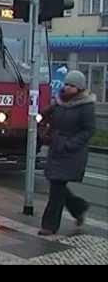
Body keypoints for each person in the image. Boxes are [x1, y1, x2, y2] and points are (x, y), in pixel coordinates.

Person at [39, 70, 95, 236]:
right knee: (57, 185)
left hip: (72, 153)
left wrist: (70, 144)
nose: (67, 87)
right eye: (66, 84)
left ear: (79, 88)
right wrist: (42, 125)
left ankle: (49, 226)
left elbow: (89, 130)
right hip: (56, 148)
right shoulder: (59, 102)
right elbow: (44, 116)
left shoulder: (86, 106)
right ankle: (78, 208)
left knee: (56, 189)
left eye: (71, 85)